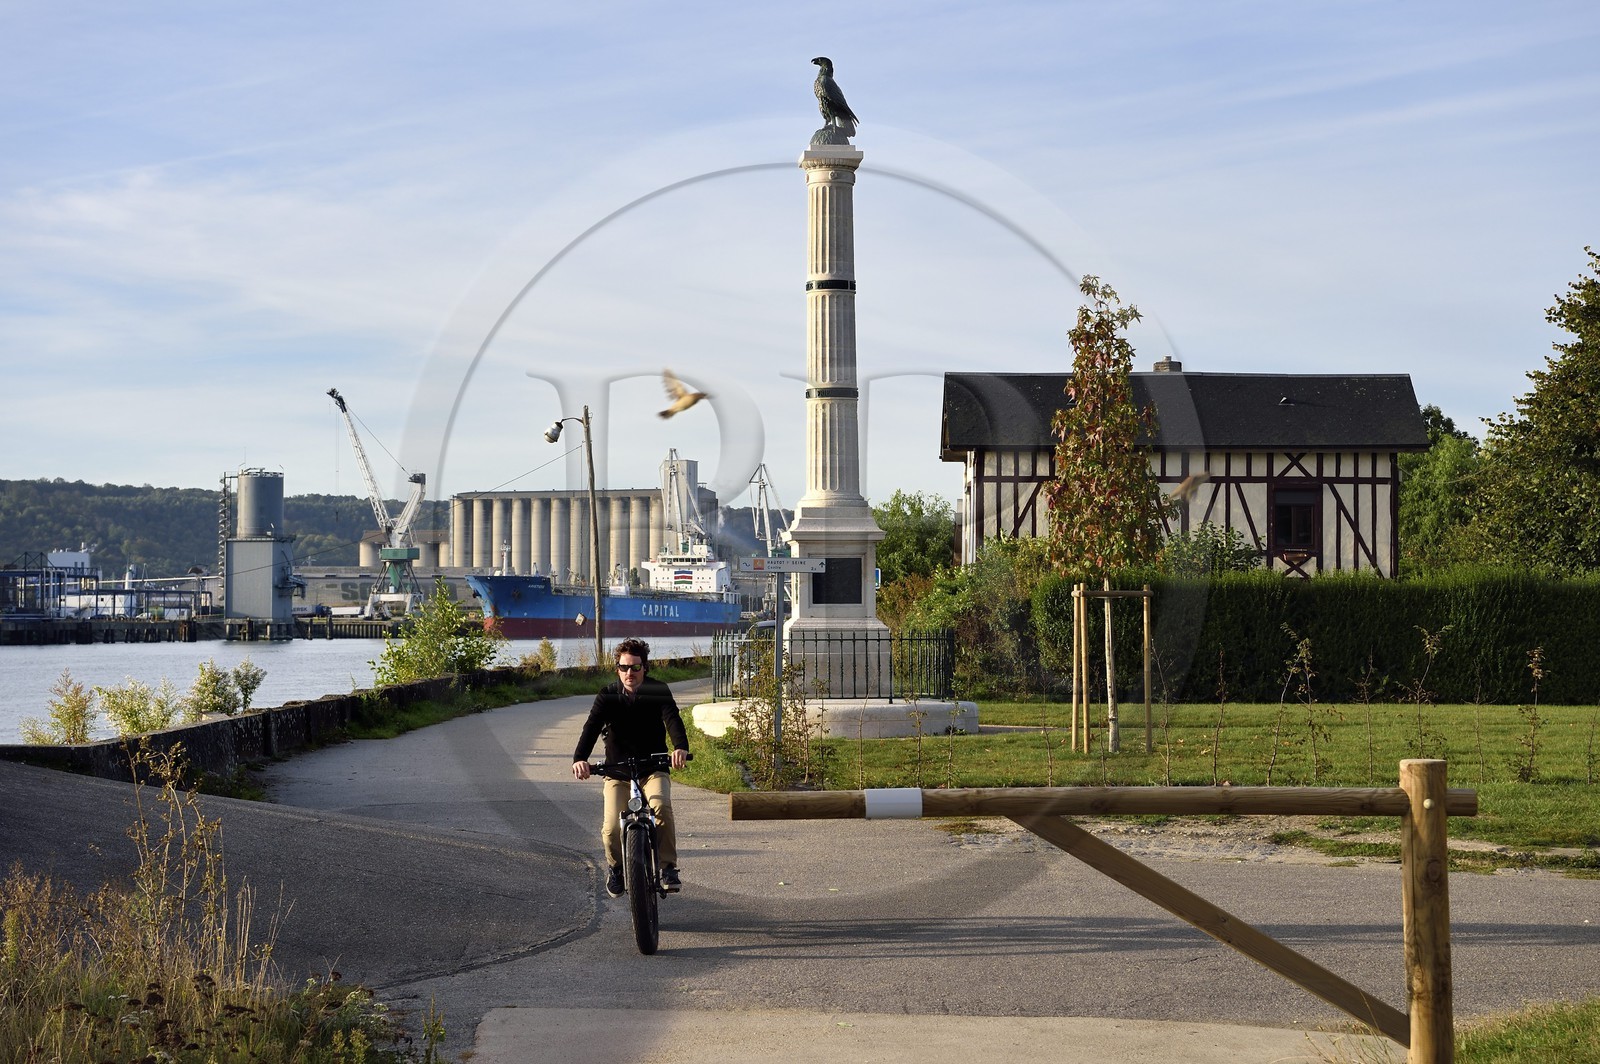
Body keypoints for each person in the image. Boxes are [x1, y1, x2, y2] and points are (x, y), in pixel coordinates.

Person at [571, 638, 689, 897]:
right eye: (624, 668)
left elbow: (672, 718)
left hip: (652, 768)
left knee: (661, 809)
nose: (629, 673)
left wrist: (680, 747)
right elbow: (591, 727)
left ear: (644, 667)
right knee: (612, 827)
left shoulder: (658, 690)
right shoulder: (607, 695)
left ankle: (668, 868)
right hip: (618, 772)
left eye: (635, 668)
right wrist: (580, 758)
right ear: (617, 669)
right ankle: (616, 869)